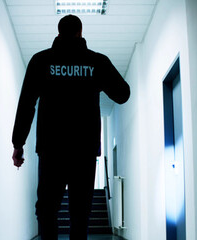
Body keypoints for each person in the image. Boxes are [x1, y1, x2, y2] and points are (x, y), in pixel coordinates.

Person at [11, 14, 130, 240]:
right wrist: (96, 79)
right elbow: (123, 94)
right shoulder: (96, 62)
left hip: (50, 151)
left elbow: (26, 104)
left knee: (46, 212)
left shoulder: (40, 61)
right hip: (84, 152)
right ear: (80, 32)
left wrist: (18, 144)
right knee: (80, 215)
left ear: (58, 33)